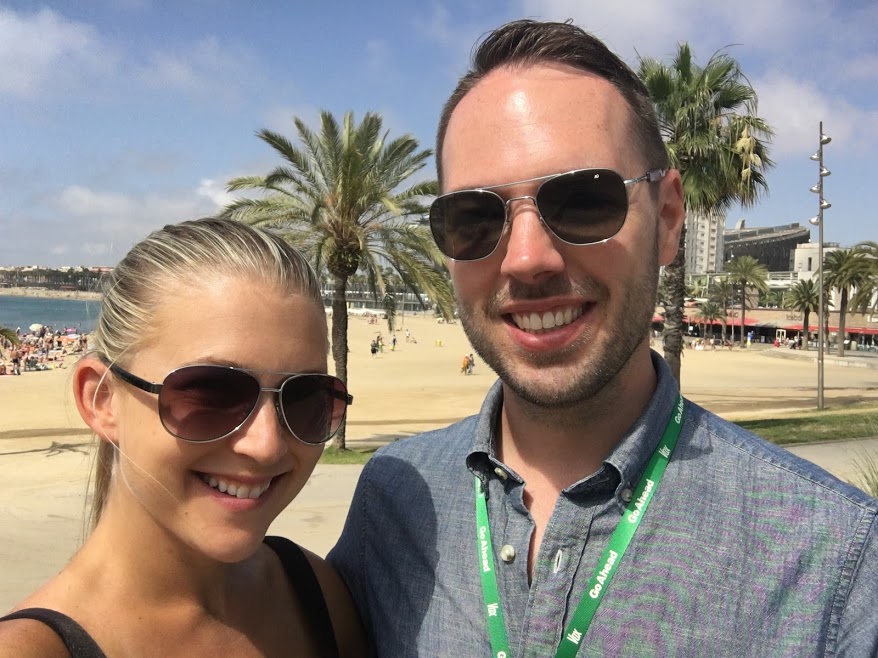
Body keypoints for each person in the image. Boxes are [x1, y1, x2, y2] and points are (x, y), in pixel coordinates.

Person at [329, 19, 878, 657]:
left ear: (668, 219)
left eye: (584, 201)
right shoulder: (393, 500)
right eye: (475, 217)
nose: (526, 259)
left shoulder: (834, 559)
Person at [0, 218, 366, 657]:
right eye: (211, 392)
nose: (266, 444)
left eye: (306, 398)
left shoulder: (318, 595)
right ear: (101, 400)